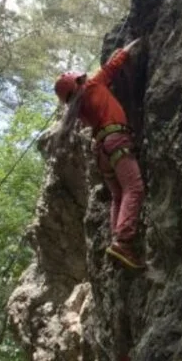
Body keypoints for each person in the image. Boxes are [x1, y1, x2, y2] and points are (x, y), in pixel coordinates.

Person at [50, 39, 146, 269]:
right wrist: (129, 47)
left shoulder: (78, 109)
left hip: (102, 150)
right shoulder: (92, 86)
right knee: (134, 187)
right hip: (116, 140)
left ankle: (116, 239)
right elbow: (113, 66)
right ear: (79, 83)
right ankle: (123, 242)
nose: (85, 79)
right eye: (81, 79)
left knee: (118, 195)